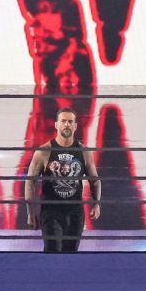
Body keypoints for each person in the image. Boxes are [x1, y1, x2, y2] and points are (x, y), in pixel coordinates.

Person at [25, 108, 100, 253]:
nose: (67, 124)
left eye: (70, 121)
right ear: (56, 125)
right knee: (53, 253)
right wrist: (30, 212)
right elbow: (30, 182)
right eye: (63, 121)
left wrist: (96, 204)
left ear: (75, 126)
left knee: (71, 255)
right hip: (51, 212)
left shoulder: (84, 152)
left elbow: (95, 181)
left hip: (75, 213)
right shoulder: (44, 151)